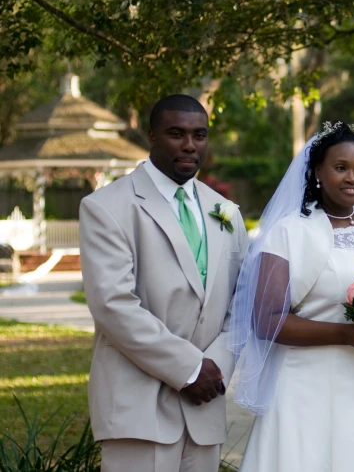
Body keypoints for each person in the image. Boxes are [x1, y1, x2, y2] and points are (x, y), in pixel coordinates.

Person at [229, 122, 354, 472]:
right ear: (318, 171)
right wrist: (348, 335)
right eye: (341, 168)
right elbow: (265, 320)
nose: (352, 178)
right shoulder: (289, 232)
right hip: (309, 391)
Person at [79, 94, 249, 472]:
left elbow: (242, 303)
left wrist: (215, 367)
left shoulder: (226, 212)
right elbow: (113, 305)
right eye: (176, 133)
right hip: (137, 407)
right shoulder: (107, 207)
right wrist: (189, 369)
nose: (190, 145)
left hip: (205, 405)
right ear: (151, 135)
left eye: (200, 135)